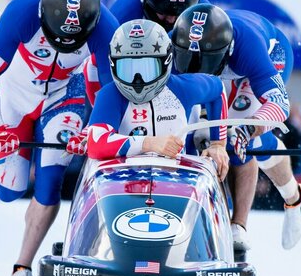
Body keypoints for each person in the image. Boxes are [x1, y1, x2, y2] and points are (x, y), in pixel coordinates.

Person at [0, 0, 118, 276]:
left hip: (66, 94)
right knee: (9, 188)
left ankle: (21, 268)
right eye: (57, 38)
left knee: (50, 181)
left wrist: (94, 128)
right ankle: (6, 160)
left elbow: (111, 91)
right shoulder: (22, 11)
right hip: (16, 93)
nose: (65, 44)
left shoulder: (105, 26)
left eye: (74, 40)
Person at [172, 3, 301, 251]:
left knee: (239, 136)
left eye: (204, 63)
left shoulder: (249, 51)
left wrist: (248, 130)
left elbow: (280, 105)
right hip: (221, 72)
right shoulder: (178, 38)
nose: (197, 69)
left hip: (269, 56)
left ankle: (278, 206)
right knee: (196, 131)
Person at [86, 19, 229, 181]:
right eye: (127, 69)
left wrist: (218, 144)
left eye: (147, 68)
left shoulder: (183, 88)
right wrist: (150, 143)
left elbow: (218, 90)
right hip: (123, 184)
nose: (137, 80)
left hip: (177, 183)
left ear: (165, 62)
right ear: (113, 65)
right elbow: (96, 143)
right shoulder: (110, 94)